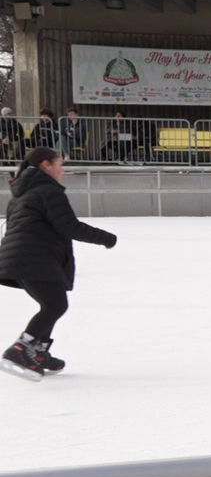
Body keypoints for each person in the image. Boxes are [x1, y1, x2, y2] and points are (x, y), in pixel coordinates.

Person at [0, 148, 117, 380]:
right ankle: (22, 349)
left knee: (52, 303)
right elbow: (69, 226)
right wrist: (106, 238)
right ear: (46, 165)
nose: (62, 171)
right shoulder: (48, 192)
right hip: (34, 258)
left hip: (24, 258)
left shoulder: (22, 193)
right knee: (55, 305)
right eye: (59, 164)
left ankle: (38, 351)